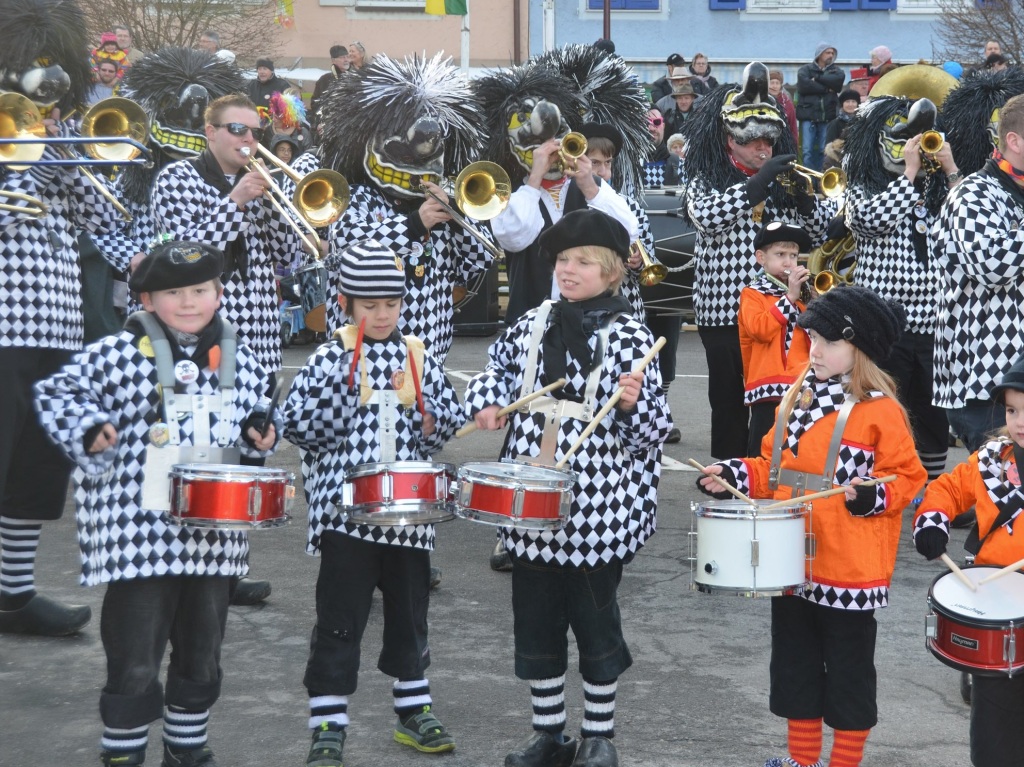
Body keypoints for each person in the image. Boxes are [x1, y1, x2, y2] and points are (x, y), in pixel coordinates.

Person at [33, 240, 280, 767]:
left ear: (218, 294)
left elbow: (258, 407)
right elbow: (59, 392)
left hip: (213, 537)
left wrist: (261, 433)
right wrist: (89, 427)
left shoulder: (236, 356)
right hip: (138, 533)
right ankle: (123, 752)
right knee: (135, 654)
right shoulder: (115, 354)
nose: (188, 302)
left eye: (199, 290)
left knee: (202, 652)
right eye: (173, 293)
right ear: (146, 300)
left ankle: (187, 748)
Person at [465, 208, 672, 767]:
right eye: (561, 260)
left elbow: (655, 430)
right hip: (531, 502)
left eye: (582, 262)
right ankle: (549, 734)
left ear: (610, 273)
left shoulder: (630, 334)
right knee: (537, 625)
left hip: (598, 508)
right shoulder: (533, 321)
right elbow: (495, 370)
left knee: (596, 623)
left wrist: (633, 404)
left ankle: (599, 735)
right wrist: (484, 400)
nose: (568, 270)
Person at [697, 285, 926, 767]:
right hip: (790, 568)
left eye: (827, 342)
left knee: (848, 678)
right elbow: (769, 467)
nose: (814, 349)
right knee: (795, 674)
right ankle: (803, 762)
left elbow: (909, 476)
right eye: (811, 338)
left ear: (858, 348)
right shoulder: (793, 402)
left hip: (849, 573)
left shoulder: (880, 410)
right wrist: (732, 475)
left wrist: (874, 494)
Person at [283, 240, 462, 766]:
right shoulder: (328, 355)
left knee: (410, 616)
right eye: (370, 306)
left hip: (409, 519)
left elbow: (443, 424)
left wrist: (436, 424)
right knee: (339, 620)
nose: (382, 315)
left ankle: (414, 711)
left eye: (391, 305)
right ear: (346, 303)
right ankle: (328, 723)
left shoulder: (418, 354)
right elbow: (297, 426)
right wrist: (338, 399)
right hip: (347, 518)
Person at [0, 0, 127, 638]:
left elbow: (107, 225)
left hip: (56, 332)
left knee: (35, 473)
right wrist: (21, 164)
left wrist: (67, 164)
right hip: (2, 332)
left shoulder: (52, 150)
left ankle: (13, 595)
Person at [152, 93, 308, 605]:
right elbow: (181, 256)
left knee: (250, 449)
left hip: (260, 335)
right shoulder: (177, 180)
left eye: (254, 132)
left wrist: (279, 207)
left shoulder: (262, 185)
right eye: (237, 130)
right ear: (210, 133)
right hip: (203, 339)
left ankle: (230, 566)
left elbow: (291, 257)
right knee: (198, 447)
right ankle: (178, 564)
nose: (249, 141)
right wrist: (236, 202)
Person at [680, 61, 832, 460]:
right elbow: (706, 218)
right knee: (728, 399)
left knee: (771, 400)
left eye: (768, 142)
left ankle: (764, 468)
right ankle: (729, 469)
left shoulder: (783, 179)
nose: (763, 149)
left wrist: (804, 198)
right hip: (724, 310)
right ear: (729, 139)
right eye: (753, 143)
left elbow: (819, 235)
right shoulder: (706, 177)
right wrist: (755, 186)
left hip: (778, 311)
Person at [913, 354, 1024, 767]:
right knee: (995, 727)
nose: (1018, 421)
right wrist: (931, 522)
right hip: (996, 607)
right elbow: (946, 490)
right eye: (1012, 410)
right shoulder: (992, 458)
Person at [844, 95, 961, 485]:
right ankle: (884, 484)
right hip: (884, 322)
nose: (913, 147)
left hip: (935, 321)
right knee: (884, 407)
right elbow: (866, 223)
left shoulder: (940, 185)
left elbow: (966, 226)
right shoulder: (862, 183)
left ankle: (930, 486)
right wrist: (908, 176)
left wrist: (951, 171)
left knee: (932, 412)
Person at [933, 92, 1024, 453]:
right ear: (1014, 141)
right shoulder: (972, 194)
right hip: (985, 382)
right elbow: (993, 266)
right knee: (1000, 499)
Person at [739, 221, 812, 457]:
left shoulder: (803, 294)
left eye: (793, 255)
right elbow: (759, 330)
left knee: (795, 450)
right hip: (767, 387)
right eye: (780, 254)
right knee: (762, 451)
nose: (788, 261)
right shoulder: (752, 293)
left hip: (801, 384)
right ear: (762, 258)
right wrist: (790, 297)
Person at [796, 43, 845, 171]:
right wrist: (826, 88)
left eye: (832, 53)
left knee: (824, 151)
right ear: (819, 54)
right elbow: (803, 86)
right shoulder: (805, 70)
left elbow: (838, 83)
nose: (831, 55)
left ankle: (821, 180)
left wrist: (817, 78)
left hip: (827, 116)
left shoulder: (837, 71)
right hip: (809, 116)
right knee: (807, 151)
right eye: (827, 52)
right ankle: (808, 180)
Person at [310, 45, 349, 131]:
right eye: (342, 57)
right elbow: (315, 104)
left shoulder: (353, 78)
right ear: (333, 60)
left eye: (347, 57)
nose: (346, 60)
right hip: (328, 127)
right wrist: (319, 122)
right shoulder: (324, 80)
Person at [246, 58, 294, 124]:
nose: (262, 72)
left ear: (271, 71)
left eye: (265, 69)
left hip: (275, 125)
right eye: (259, 69)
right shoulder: (251, 85)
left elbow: (291, 107)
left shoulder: (282, 85)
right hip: (254, 123)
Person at [769, 69, 798, 144]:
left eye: (777, 83)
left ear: (780, 85)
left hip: (784, 143)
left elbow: (793, 127)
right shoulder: (761, 101)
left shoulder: (787, 103)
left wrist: (794, 146)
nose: (774, 86)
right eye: (772, 83)